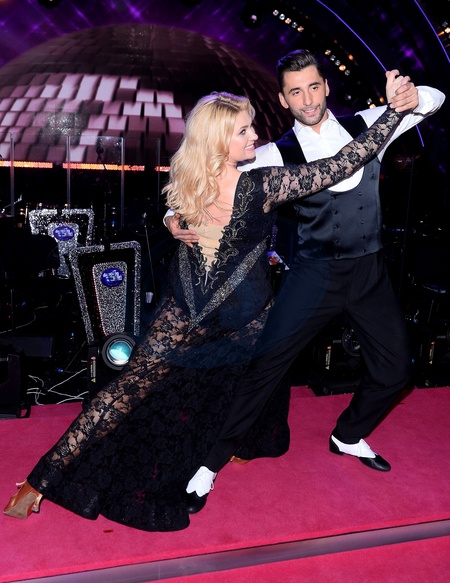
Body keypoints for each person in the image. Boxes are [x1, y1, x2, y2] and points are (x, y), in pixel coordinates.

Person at [4, 87, 408, 532]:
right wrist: (393, 113)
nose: (254, 136)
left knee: (123, 391)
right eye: (243, 131)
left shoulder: (190, 177)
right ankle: (228, 452)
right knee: (249, 376)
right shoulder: (261, 184)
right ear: (218, 141)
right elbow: (346, 162)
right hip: (244, 312)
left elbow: (174, 211)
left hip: (183, 308)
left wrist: (171, 220)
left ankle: (38, 481)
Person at [167, 51, 445, 513]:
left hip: (370, 273)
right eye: (296, 92)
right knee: (265, 368)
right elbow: (210, 182)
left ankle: (348, 434)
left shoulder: (368, 123)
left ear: (326, 87)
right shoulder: (273, 154)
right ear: (283, 99)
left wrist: (411, 96)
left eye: (314, 87)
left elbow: (436, 99)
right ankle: (208, 466)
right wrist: (172, 216)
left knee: (397, 370)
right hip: (314, 276)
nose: (308, 99)